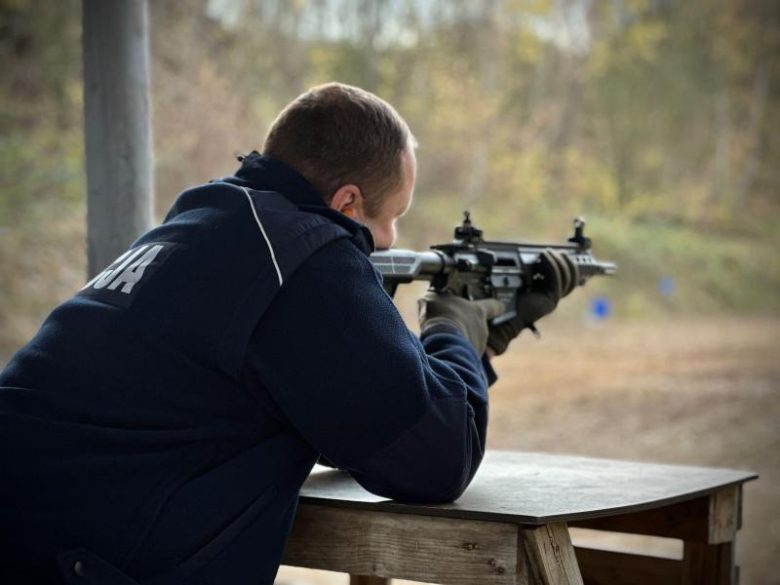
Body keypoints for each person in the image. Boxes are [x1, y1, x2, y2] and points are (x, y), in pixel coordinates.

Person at [0, 82, 577, 585]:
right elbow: (435, 459)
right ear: (347, 202)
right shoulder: (301, 255)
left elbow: (346, 422)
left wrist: (479, 346)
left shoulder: (208, 223)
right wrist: (454, 322)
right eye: (391, 217)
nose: (391, 236)